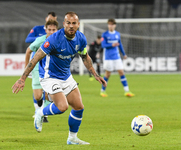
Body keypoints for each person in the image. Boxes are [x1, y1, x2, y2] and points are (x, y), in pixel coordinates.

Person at [12, 12, 107, 145]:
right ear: (64, 24)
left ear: (78, 25)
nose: (71, 26)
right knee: (62, 107)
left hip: (66, 76)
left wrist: (95, 75)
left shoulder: (80, 38)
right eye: (68, 23)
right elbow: (36, 58)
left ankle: (72, 138)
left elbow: (85, 57)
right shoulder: (54, 39)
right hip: (49, 77)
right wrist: (22, 78)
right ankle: (40, 112)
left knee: (79, 107)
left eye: (74, 23)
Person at [25, 12, 57, 122]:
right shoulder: (40, 38)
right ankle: (38, 110)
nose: (52, 32)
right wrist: (26, 68)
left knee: (48, 93)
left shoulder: (60, 40)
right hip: (37, 68)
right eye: (50, 30)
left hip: (51, 71)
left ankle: (43, 114)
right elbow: (28, 50)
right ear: (46, 29)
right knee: (38, 96)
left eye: (54, 30)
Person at [100, 18, 134, 97]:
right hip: (108, 57)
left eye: (112, 24)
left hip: (117, 56)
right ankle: (102, 91)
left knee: (121, 72)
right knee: (108, 74)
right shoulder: (104, 34)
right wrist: (112, 45)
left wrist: (124, 54)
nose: (110, 26)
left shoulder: (117, 34)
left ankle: (127, 91)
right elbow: (103, 45)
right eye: (109, 24)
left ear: (115, 25)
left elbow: (120, 44)